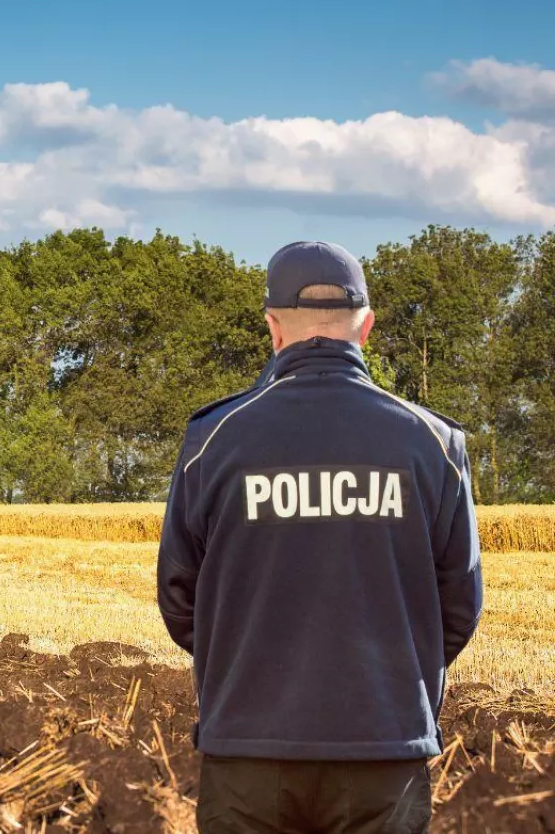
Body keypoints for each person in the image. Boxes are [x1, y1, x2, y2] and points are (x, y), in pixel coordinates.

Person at [157, 241, 483, 834]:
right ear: (367, 328)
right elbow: (459, 604)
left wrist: (246, 670)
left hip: (246, 755)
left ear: (273, 329)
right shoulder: (432, 442)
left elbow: (179, 597)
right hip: (386, 753)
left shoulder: (214, 437)